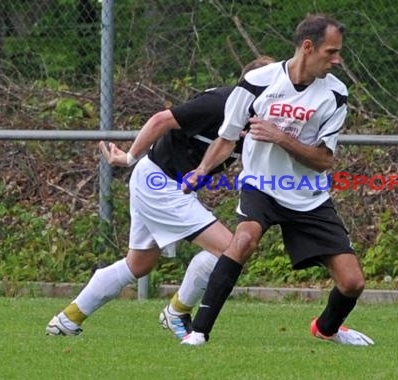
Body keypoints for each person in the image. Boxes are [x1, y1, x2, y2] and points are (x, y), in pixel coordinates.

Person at [45, 56, 275, 339]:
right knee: (230, 249)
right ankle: (176, 312)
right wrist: (129, 156)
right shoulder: (220, 102)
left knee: (139, 265)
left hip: (160, 181)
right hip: (160, 182)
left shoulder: (260, 117)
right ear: (250, 86)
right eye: (270, 84)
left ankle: (67, 320)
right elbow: (161, 120)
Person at [180, 14, 374, 346]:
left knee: (353, 282)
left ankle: (326, 329)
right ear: (308, 47)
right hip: (261, 185)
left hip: (308, 195)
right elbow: (226, 139)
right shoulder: (258, 81)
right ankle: (198, 332)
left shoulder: (336, 94)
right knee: (243, 241)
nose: (337, 60)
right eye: (331, 52)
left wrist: (279, 136)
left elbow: (323, 161)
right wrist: (201, 171)